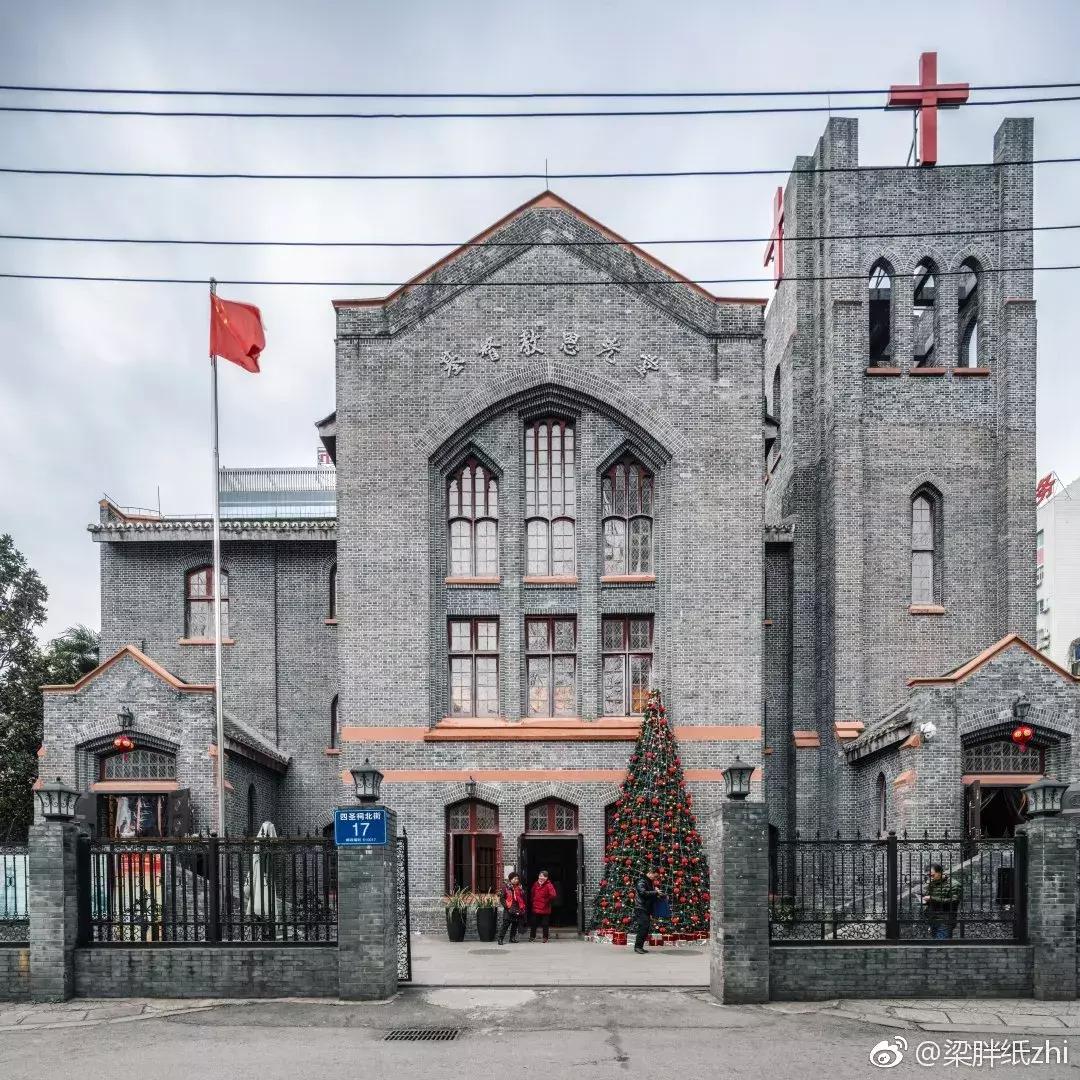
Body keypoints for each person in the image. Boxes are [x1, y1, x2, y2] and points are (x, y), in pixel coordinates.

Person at [922, 863, 962, 940]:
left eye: (932, 875)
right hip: (933, 919)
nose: (930, 878)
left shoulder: (954, 884)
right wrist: (925, 900)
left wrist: (932, 898)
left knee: (942, 948)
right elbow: (931, 898)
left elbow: (954, 901)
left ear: (940, 872)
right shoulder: (932, 883)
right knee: (936, 947)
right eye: (928, 876)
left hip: (945, 921)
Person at [633, 869, 664, 954]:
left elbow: (649, 895)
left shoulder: (649, 882)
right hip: (641, 907)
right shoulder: (642, 881)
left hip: (645, 908)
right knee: (643, 927)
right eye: (655, 876)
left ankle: (640, 947)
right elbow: (643, 893)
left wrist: (657, 894)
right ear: (650, 873)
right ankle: (638, 947)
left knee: (645, 928)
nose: (655, 878)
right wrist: (655, 892)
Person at [529, 870, 558, 942]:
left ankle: (545, 938)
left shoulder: (549, 885)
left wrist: (547, 901)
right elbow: (532, 893)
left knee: (545, 924)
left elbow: (553, 895)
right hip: (536, 906)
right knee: (534, 923)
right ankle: (532, 937)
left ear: (546, 877)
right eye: (540, 876)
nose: (541, 877)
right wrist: (533, 901)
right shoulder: (536, 884)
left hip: (545, 907)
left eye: (543, 876)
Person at [497, 873, 526, 944]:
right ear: (510, 879)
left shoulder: (519, 887)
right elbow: (502, 898)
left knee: (515, 924)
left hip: (517, 907)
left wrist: (522, 892)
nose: (516, 880)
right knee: (505, 924)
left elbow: (522, 897)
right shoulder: (505, 887)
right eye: (514, 879)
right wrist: (506, 906)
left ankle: (512, 938)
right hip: (509, 908)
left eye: (517, 879)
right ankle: (500, 939)